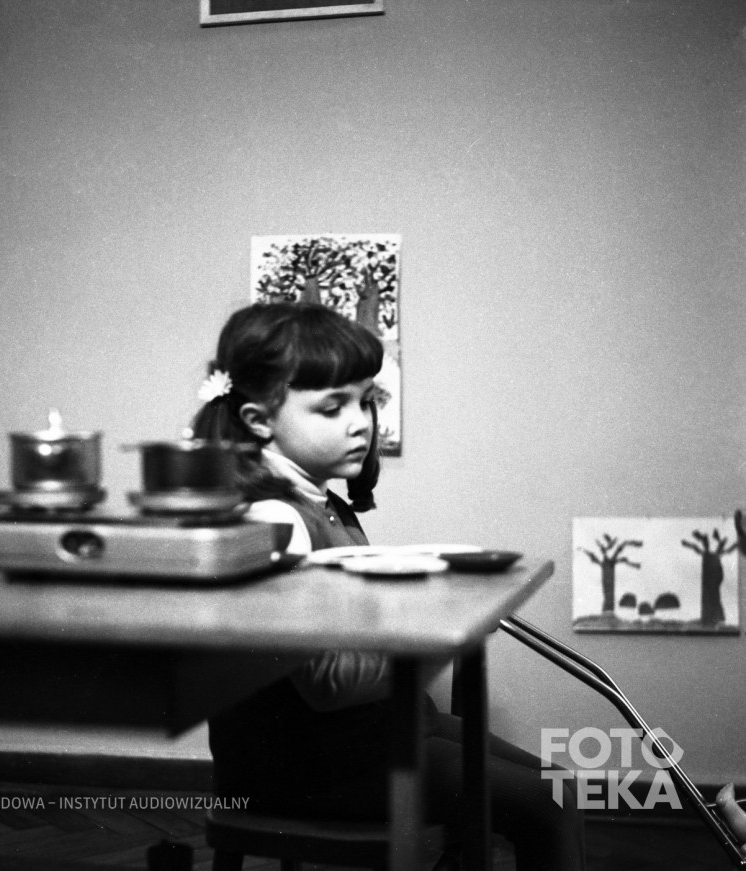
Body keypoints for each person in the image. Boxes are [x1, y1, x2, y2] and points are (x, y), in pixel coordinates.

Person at [190, 302, 585, 871]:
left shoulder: (325, 504)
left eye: (366, 401)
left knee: (563, 786)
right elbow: (327, 687)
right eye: (333, 407)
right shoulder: (274, 519)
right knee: (549, 804)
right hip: (308, 768)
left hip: (363, 738)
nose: (361, 422)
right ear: (258, 420)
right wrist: (440, 630)